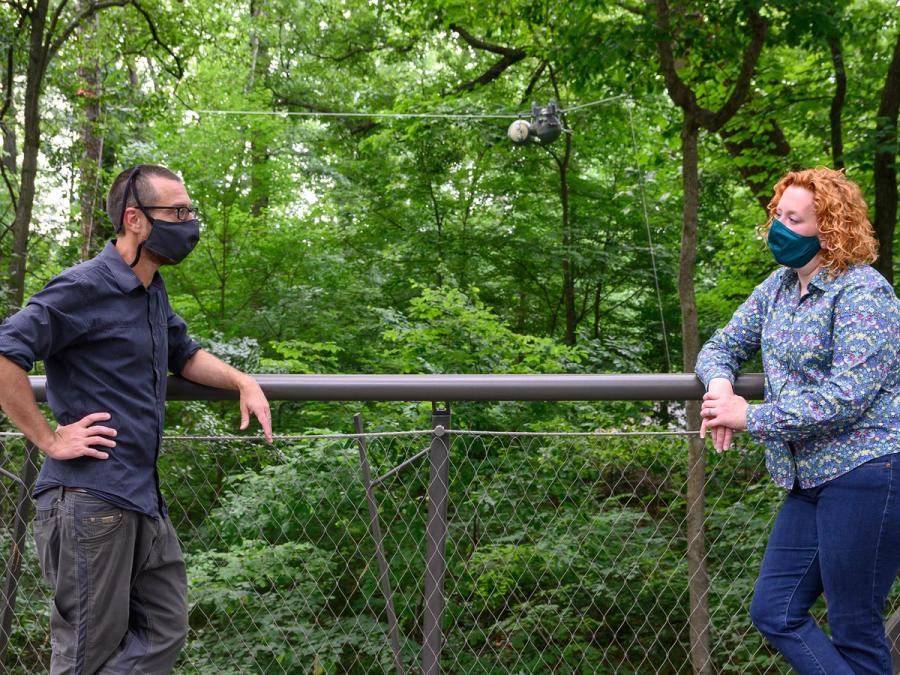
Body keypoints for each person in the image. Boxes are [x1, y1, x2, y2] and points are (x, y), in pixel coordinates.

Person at [0, 164, 273, 674]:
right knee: (85, 655)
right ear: (135, 220)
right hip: (87, 500)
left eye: (190, 211)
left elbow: (184, 354)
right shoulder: (84, 286)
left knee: (165, 627)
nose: (189, 222)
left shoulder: (151, 290)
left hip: (141, 495)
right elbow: (5, 354)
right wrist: (47, 438)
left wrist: (242, 380)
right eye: (178, 212)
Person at [695, 167, 900, 674]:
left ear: (828, 228)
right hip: (806, 478)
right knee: (775, 611)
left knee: (855, 628)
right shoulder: (778, 288)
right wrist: (720, 384)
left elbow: (847, 395)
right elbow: (720, 346)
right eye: (776, 215)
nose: (778, 228)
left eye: (794, 218)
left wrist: (750, 416)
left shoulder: (863, 292)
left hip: (867, 472)